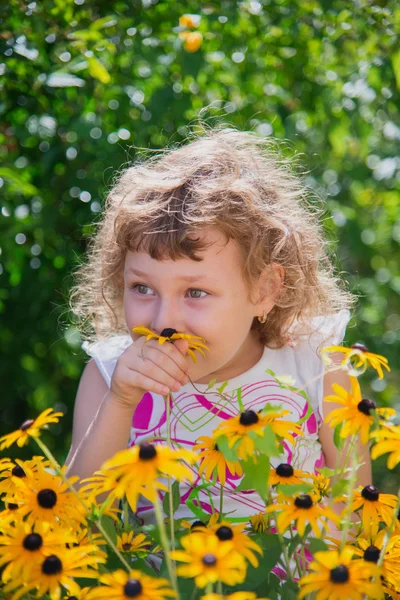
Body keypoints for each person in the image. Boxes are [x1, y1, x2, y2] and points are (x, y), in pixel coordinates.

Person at [65, 127, 371, 525]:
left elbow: (358, 514)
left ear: (265, 289)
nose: (164, 322)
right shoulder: (111, 378)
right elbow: (74, 520)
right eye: (142, 288)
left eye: (195, 293)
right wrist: (122, 402)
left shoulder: (317, 367)